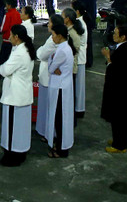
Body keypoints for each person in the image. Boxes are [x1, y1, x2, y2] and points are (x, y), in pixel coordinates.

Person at [0, 24, 36, 166]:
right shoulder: (25, 48)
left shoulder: (19, 53)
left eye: (11, 35)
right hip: (23, 94)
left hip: (15, 96)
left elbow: (4, 70)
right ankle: (20, 152)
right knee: (21, 128)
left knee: (12, 128)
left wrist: (2, 67)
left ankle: (12, 155)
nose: (9, 37)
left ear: (16, 37)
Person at [101, 24, 127, 153]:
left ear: (123, 37)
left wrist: (108, 57)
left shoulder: (123, 51)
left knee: (118, 117)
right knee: (118, 118)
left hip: (119, 89)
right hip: (120, 88)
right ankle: (118, 140)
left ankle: (120, 145)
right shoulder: (125, 48)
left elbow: (115, 69)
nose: (113, 36)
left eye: (116, 34)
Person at [44, 21, 75, 158]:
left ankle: (62, 149)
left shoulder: (62, 50)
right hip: (62, 86)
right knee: (60, 118)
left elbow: (50, 68)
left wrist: (51, 61)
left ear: (60, 36)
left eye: (53, 35)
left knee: (60, 119)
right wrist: (52, 61)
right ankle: (60, 144)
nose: (52, 37)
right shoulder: (64, 47)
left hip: (60, 87)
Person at [63, 7, 87, 120]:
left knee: (77, 88)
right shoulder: (74, 28)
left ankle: (77, 111)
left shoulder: (73, 32)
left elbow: (75, 47)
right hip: (75, 62)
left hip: (75, 62)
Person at [0, 0, 22, 81]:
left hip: (7, 40)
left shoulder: (7, 15)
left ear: (9, 5)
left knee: (2, 59)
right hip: (16, 41)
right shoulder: (18, 14)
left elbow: (3, 28)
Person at [76, 0, 101, 68]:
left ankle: (87, 61)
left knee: (86, 41)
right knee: (88, 41)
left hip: (87, 19)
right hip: (91, 18)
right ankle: (88, 60)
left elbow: (81, 4)